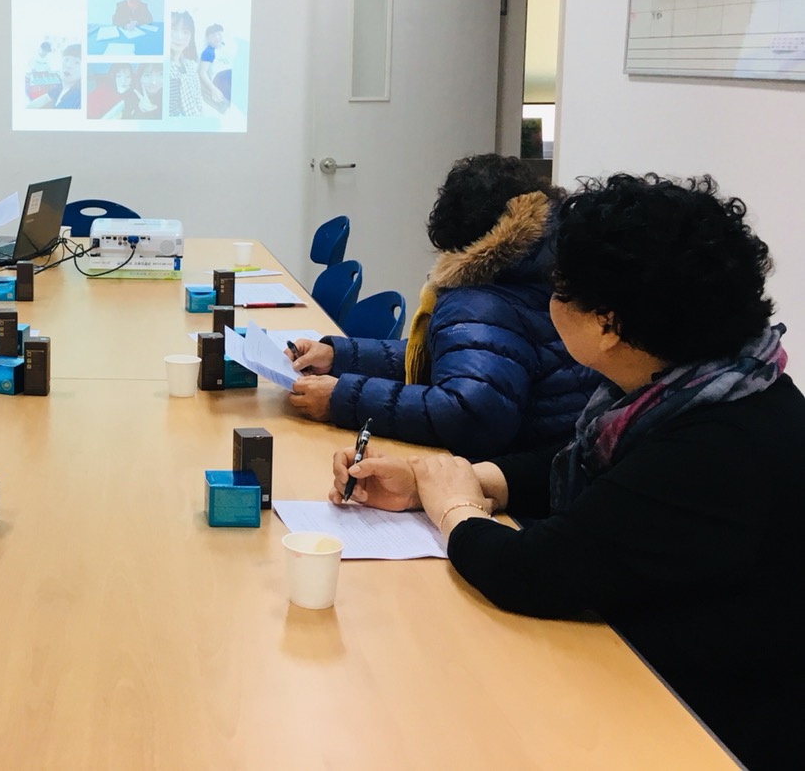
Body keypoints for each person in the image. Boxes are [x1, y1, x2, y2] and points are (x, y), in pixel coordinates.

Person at [329, 173, 803, 771]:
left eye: (557, 289)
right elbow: (591, 478)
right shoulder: (705, 386)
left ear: (607, 324)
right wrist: (450, 479)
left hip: (706, 728)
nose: (546, 302)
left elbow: (531, 572)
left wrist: (456, 509)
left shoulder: (713, 447)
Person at [287, 154, 599, 457]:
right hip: (558, 460)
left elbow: (467, 413)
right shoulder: (548, 263)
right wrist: (339, 356)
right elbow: (455, 356)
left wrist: (342, 398)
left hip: (511, 478)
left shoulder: (481, 299)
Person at [167, 11, 206, 116]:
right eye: (173, 29)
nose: (179, 37)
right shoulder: (163, 67)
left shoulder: (190, 66)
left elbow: (198, 99)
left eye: (185, 32)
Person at [52, 44, 82, 109]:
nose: (68, 65)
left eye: (77, 62)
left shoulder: (78, 99)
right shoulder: (59, 87)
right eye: (66, 59)